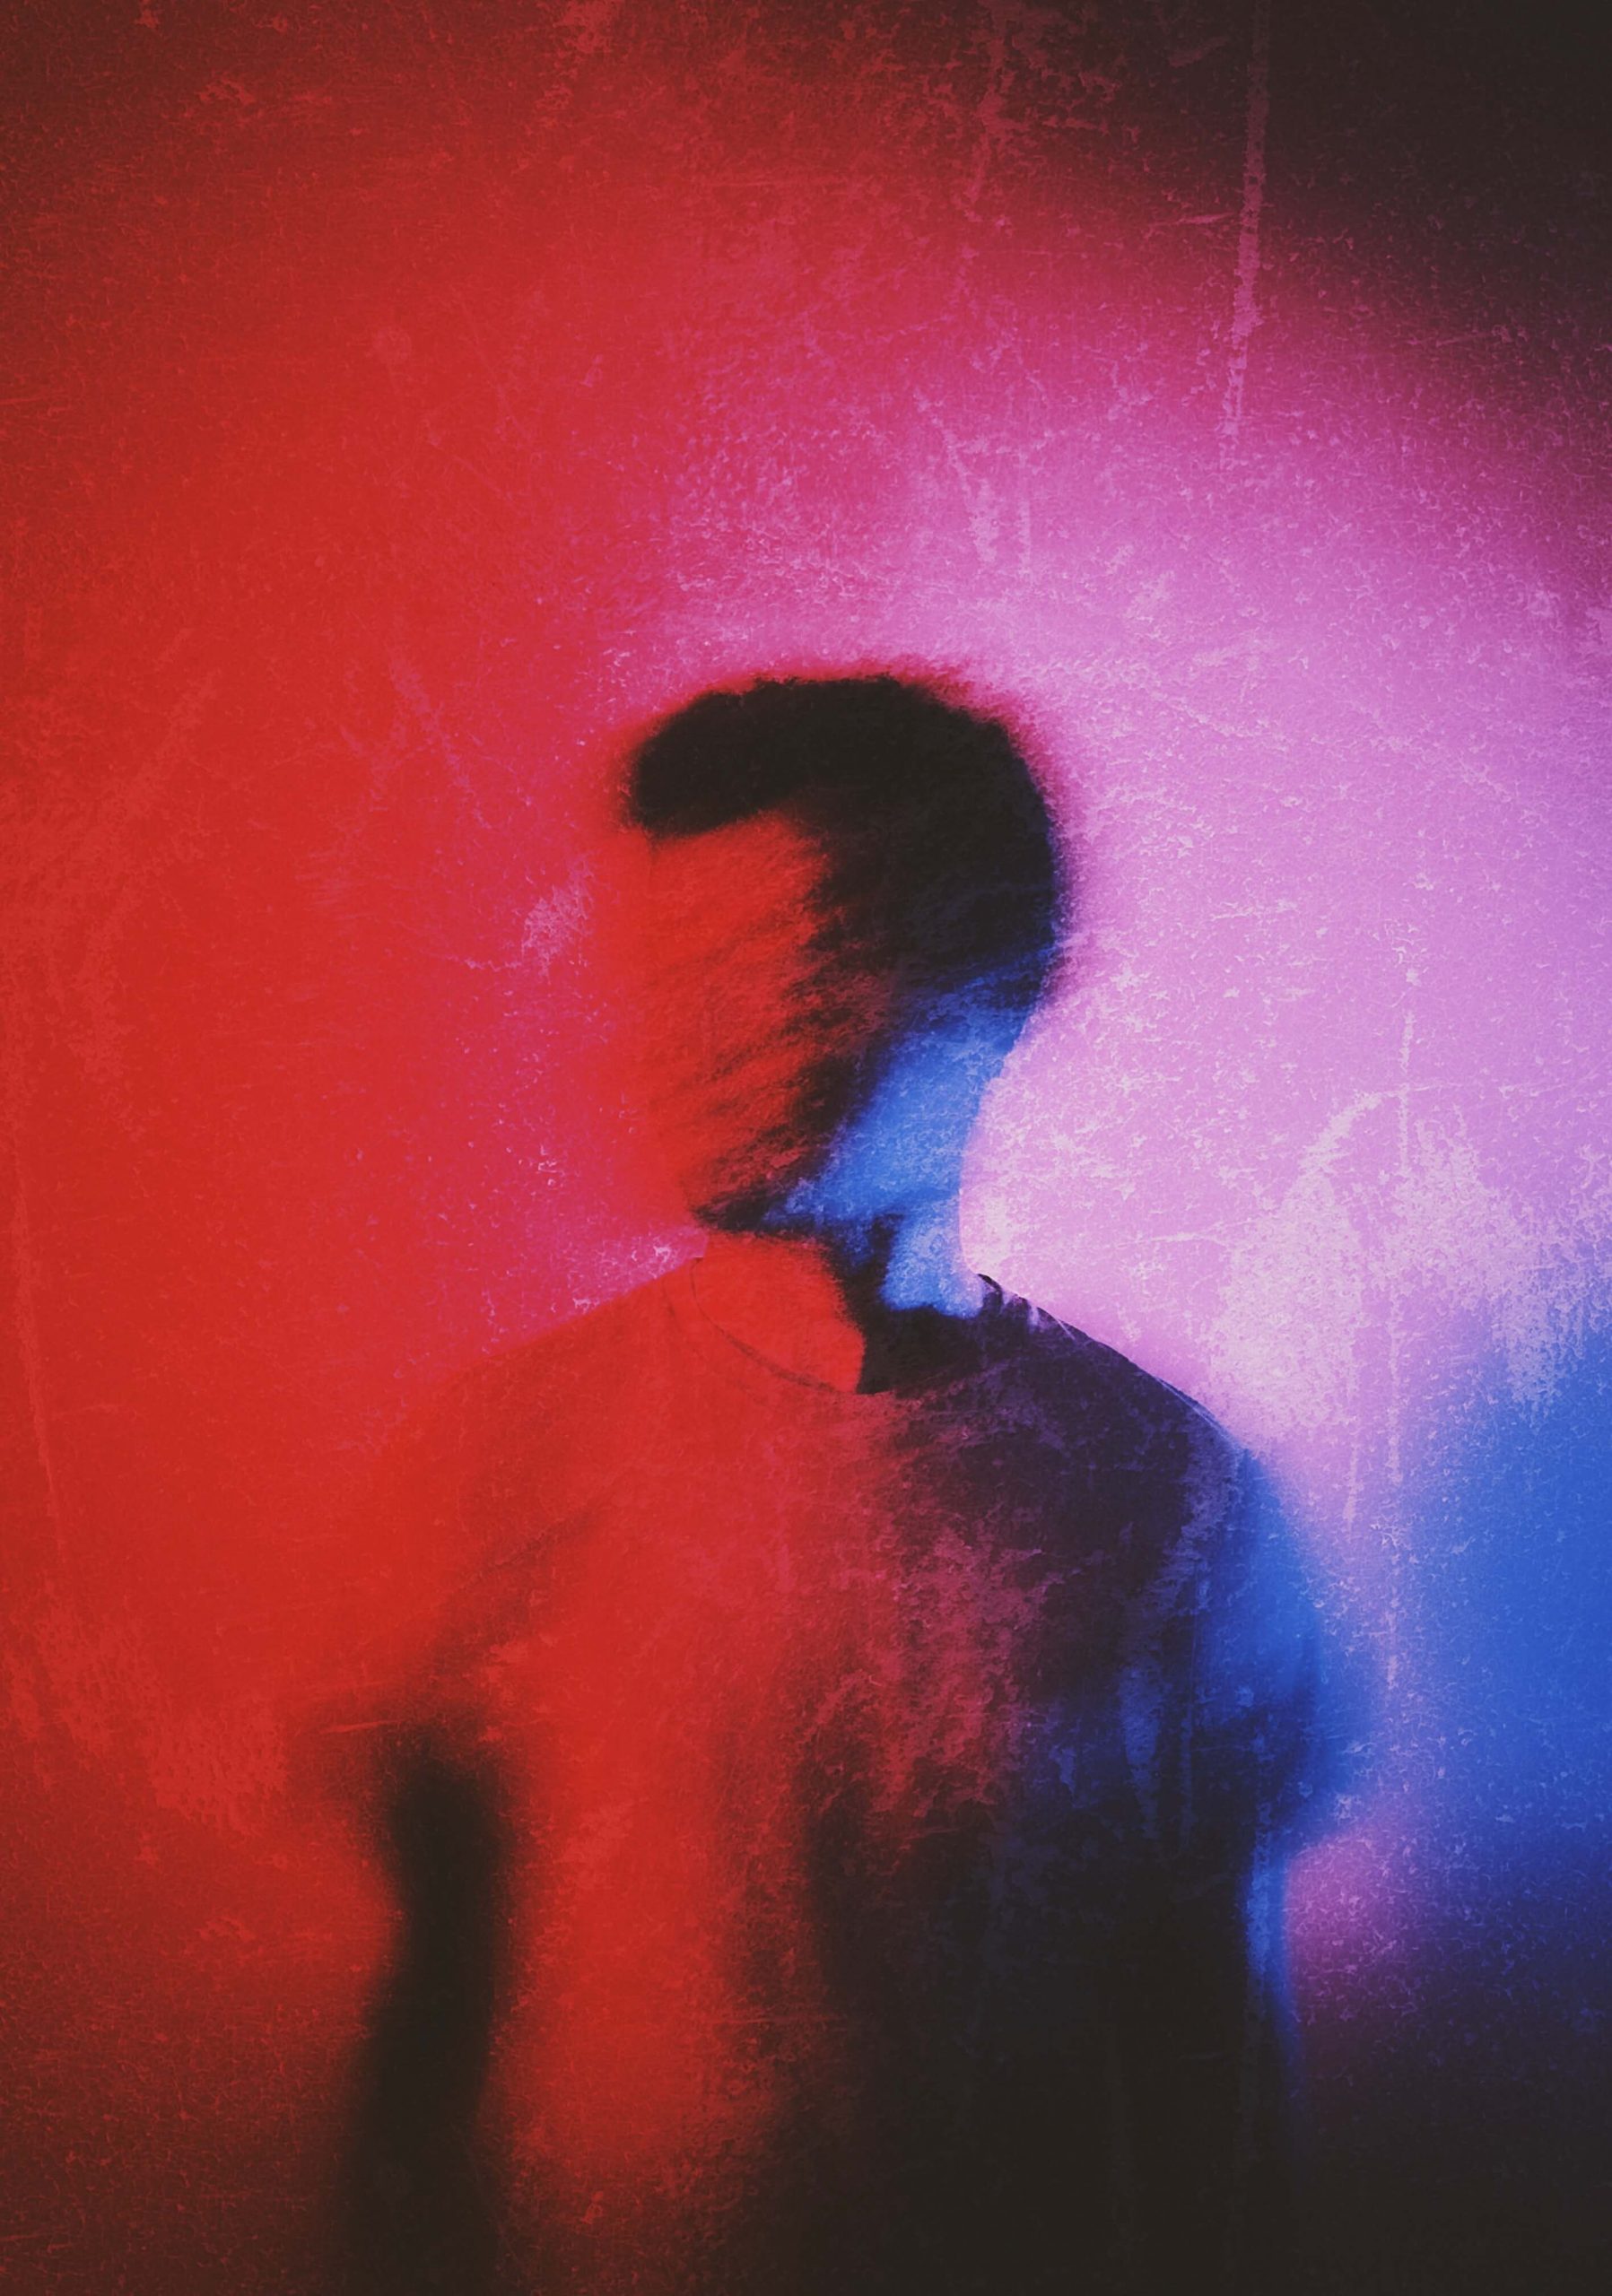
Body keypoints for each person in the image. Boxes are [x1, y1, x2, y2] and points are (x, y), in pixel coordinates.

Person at [332, 674, 1352, 2296]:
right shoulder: (492, 1470)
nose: (694, 1039)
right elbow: (408, 2054)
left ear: (998, 986)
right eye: (660, 974)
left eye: (785, 963)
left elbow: (1205, 2072)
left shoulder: (1163, 1499)